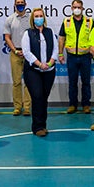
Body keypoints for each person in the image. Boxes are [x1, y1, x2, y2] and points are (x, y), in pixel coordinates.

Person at [22, 8, 58, 137]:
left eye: (41, 15)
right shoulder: (28, 33)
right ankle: (37, 127)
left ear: (44, 17)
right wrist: (39, 64)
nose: (39, 18)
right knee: (37, 96)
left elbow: (55, 48)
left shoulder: (50, 32)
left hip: (49, 70)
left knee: (44, 97)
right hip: (33, 71)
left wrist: (50, 62)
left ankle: (43, 124)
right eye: (36, 16)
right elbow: (26, 52)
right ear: (33, 18)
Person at [58, 0, 94, 114]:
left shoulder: (90, 21)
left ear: (83, 8)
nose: (77, 9)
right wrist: (60, 53)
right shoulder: (66, 21)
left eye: (79, 7)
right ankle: (72, 104)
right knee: (72, 82)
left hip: (86, 57)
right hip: (72, 57)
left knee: (86, 82)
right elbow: (61, 38)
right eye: (75, 7)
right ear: (71, 8)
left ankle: (86, 105)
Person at [3, 0, 31, 116]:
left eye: (22, 2)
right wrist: (15, 50)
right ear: (14, 4)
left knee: (29, 82)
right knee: (16, 82)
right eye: (18, 3)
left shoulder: (30, 19)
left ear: (26, 4)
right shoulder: (9, 19)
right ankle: (17, 107)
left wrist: (27, 51)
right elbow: (7, 37)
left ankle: (27, 107)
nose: (20, 4)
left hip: (29, 54)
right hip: (15, 53)